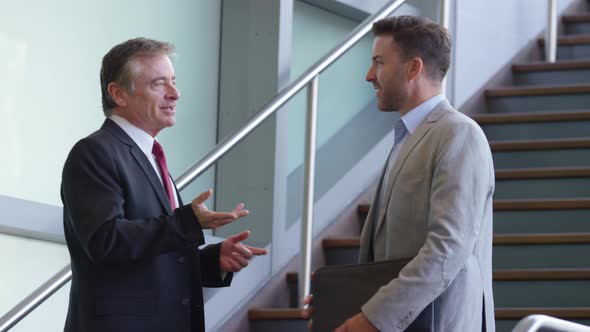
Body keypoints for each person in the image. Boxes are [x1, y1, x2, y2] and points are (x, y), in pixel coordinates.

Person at [61, 37, 267, 332]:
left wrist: (212, 260)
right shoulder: (95, 152)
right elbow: (105, 241)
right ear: (119, 94)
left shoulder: (151, 157)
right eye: (159, 84)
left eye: (173, 81)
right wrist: (186, 223)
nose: (176, 93)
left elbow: (153, 254)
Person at [306, 16, 495, 332]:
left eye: (378, 63)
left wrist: (372, 318)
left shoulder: (459, 134)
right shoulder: (406, 138)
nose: (369, 76)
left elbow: (448, 247)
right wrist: (341, 301)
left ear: (413, 68)